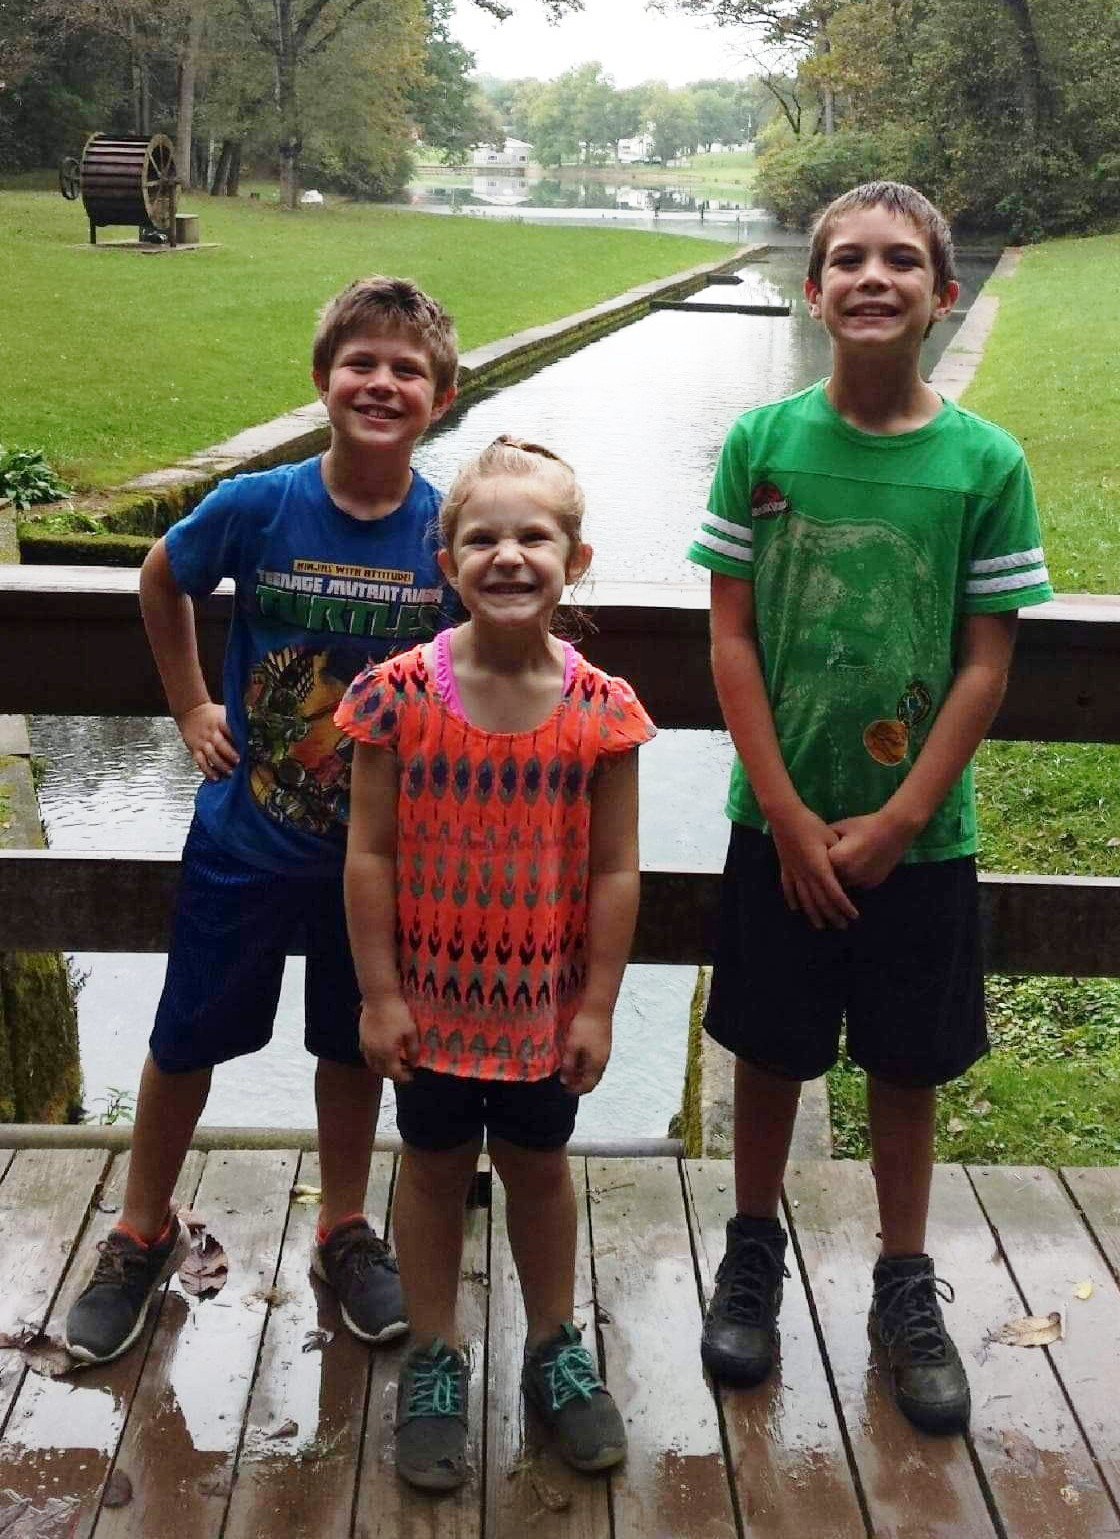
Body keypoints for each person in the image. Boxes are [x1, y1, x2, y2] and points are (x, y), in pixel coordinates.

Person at [686, 182, 1053, 1434]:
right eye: (846, 259)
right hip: (775, 825)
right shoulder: (760, 444)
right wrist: (786, 814)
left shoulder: (984, 463)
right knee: (768, 1048)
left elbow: (985, 662)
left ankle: (904, 1282)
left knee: (906, 1061)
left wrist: (899, 819)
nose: (872, 277)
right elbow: (730, 639)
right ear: (813, 289)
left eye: (901, 261)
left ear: (942, 294)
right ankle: (750, 1253)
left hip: (921, 839)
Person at [64, 275, 460, 1366]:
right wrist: (192, 704)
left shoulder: (447, 530)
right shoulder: (260, 505)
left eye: (407, 370)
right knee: (185, 1034)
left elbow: (487, 653)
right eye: (361, 363)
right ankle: (140, 1228)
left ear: (441, 396)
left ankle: (343, 1226)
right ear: (323, 377)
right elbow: (163, 578)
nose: (381, 384)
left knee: (354, 1041)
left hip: (376, 860)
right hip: (245, 839)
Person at [336, 436, 654, 1490]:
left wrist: (597, 1006)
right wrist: (379, 995)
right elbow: (370, 853)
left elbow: (614, 871)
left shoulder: (601, 709)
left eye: (534, 537)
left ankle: (553, 1344)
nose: (508, 556)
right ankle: (434, 1353)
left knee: (539, 1170)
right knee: (431, 1171)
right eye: (482, 538)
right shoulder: (395, 696)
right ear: (447, 563)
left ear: (575, 559)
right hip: (428, 1007)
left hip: (541, 1011)